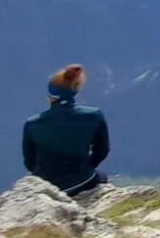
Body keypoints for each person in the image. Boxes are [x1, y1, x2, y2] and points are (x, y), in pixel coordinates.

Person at [22, 65, 109, 195]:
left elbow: (29, 162)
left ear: (50, 96)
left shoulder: (32, 124)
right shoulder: (94, 116)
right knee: (103, 178)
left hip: (46, 187)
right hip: (83, 182)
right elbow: (102, 150)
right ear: (75, 91)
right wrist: (86, 167)